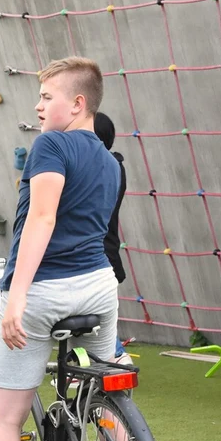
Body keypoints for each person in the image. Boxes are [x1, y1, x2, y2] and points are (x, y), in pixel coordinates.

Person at [0, 57, 120, 441]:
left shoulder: (51, 146)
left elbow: (42, 217)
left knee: (3, 418)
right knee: (108, 390)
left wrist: (15, 297)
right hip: (100, 288)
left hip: (45, 291)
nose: (38, 106)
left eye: (46, 96)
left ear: (77, 103)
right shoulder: (110, 161)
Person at [93, 112, 131, 364]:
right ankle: (112, 355)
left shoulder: (105, 167)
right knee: (96, 315)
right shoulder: (114, 165)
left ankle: (116, 355)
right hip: (105, 251)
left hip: (99, 253)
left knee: (94, 315)